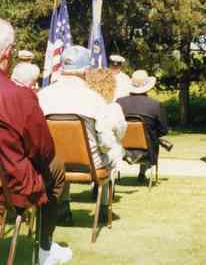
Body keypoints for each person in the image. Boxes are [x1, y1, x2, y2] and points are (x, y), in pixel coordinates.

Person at [0, 19, 72, 265]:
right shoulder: (18, 97)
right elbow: (43, 150)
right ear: (8, 52)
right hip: (12, 183)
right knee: (56, 168)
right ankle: (45, 249)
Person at [38, 46, 126, 221]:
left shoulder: (42, 96)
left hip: (50, 163)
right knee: (114, 152)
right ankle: (103, 208)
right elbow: (105, 143)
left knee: (62, 154)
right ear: (86, 71)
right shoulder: (95, 99)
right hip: (90, 165)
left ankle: (63, 207)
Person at [117, 70, 170, 184]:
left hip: (121, 148)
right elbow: (163, 130)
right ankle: (142, 173)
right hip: (147, 150)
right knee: (151, 137)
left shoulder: (119, 103)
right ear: (148, 87)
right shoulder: (155, 105)